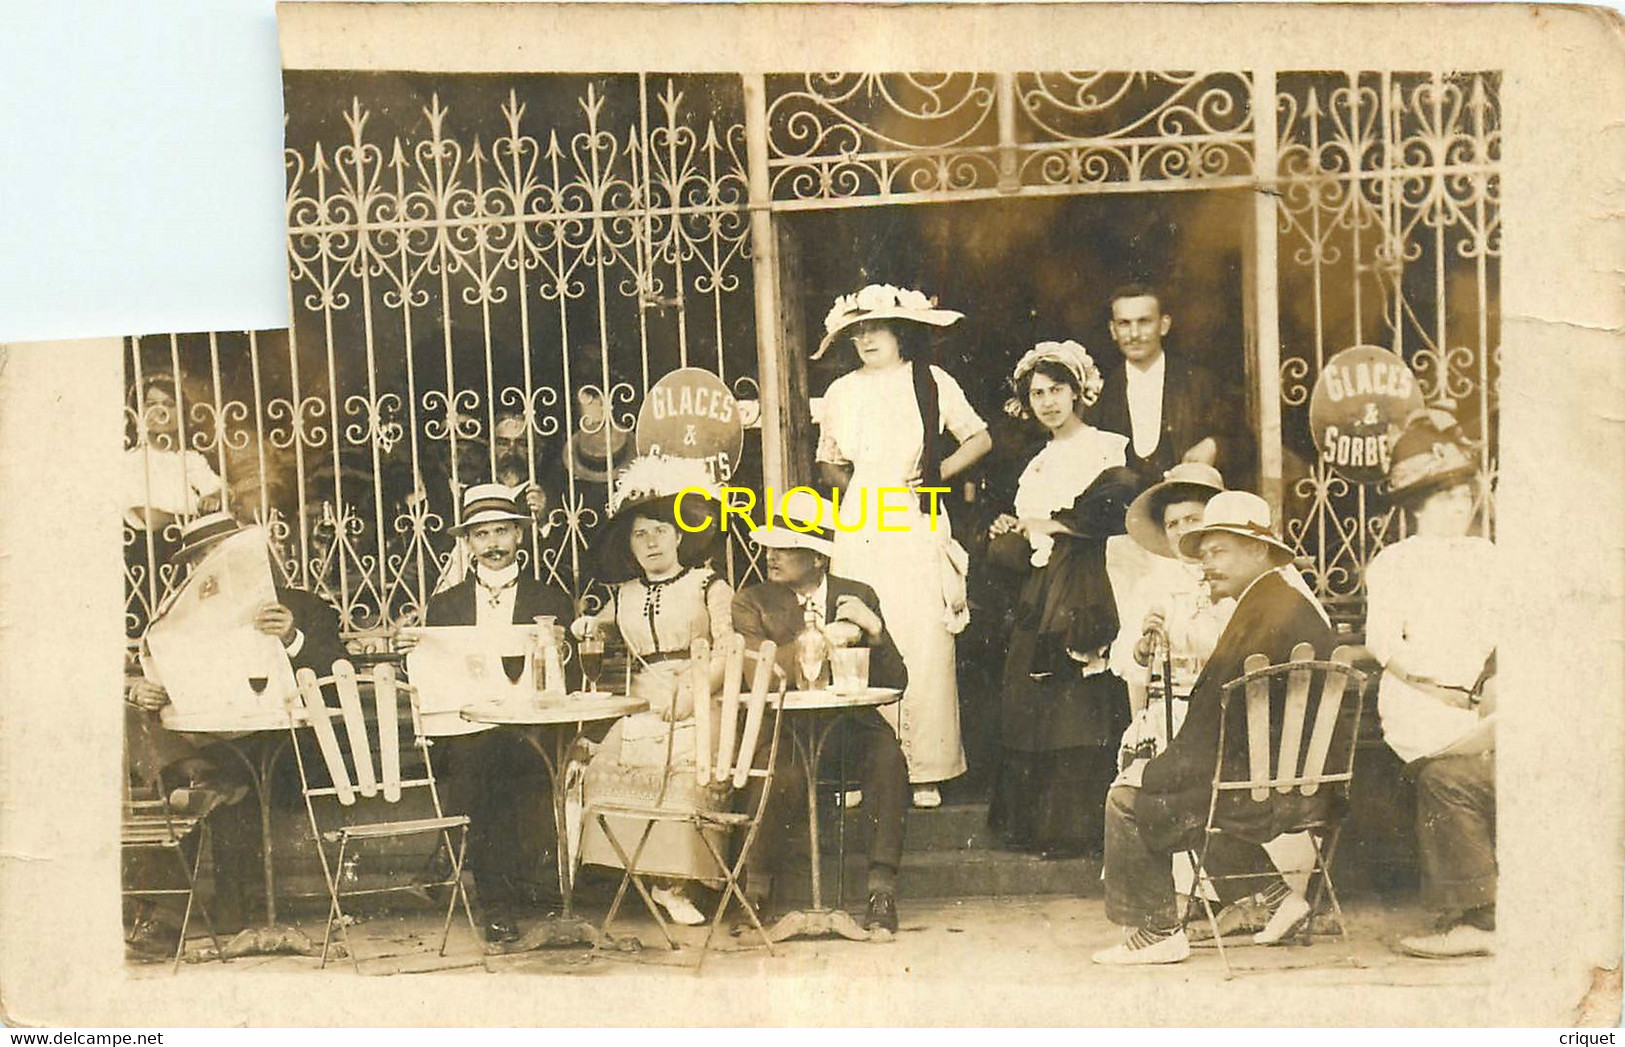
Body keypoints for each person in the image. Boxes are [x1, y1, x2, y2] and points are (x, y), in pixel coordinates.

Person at [1093, 491, 1335, 966]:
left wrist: (1156, 772)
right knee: (1185, 788)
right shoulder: (1280, 604)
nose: (1207, 564)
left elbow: (1213, 722)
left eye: (1219, 551)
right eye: (1202, 555)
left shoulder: (1259, 616)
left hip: (1259, 787)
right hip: (1307, 782)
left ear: (1259, 550)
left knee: (1125, 798)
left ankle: (1157, 930)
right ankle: (1274, 897)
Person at [123, 512, 347, 954]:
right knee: (164, 743)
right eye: (203, 557)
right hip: (213, 741)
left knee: (216, 777)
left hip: (287, 750)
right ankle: (176, 910)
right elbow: (161, 679)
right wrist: (143, 689)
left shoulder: (299, 606)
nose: (214, 564)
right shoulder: (184, 624)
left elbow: (338, 673)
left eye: (222, 552)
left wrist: (293, 638)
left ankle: (168, 918)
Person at [813, 283, 993, 808]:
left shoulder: (929, 381)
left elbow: (979, 438)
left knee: (920, 635)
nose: (866, 339)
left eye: (875, 328)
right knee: (858, 631)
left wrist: (932, 477)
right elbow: (829, 459)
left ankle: (923, 770)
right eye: (857, 331)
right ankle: (864, 768)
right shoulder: (843, 391)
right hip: (862, 521)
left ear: (898, 330)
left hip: (914, 518)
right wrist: (859, 493)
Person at [983, 341, 1139, 859]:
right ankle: (1040, 826)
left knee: (1081, 696)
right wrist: (1014, 527)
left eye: (1057, 391)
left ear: (1077, 393)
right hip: (1042, 586)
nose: (1048, 402)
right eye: (1037, 394)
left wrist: (1058, 524)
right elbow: (1028, 530)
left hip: (1090, 582)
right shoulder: (1037, 465)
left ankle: (1080, 827)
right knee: (1034, 694)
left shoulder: (1107, 447)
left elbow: (1119, 507)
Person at [731, 489, 911, 935]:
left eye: (786, 546)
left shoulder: (857, 594)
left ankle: (880, 889)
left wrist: (874, 630)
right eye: (770, 544)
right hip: (786, 728)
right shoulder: (752, 600)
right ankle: (758, 886)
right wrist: (827, 638)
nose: (771, 554)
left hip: (850, 726)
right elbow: (761, 672)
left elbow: (897, 680)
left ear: (816, 557)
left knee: (888, 756)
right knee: (779, 772)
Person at [410, 482, 577, 945]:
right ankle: (497, 903)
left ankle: (452, 856)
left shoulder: (549, 601)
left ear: (520, 536)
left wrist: (561, 650)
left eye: (502, 531)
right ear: (468, 543)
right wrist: (416, 651)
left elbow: (574, 675)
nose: (493, 545)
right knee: (484, 757)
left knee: (495, 759)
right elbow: (434, 678)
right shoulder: (445, 606)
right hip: (465, 736)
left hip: (534, 732)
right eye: (481, 535)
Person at [571, 455, 731, 927]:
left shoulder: (708, 585)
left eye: (661, 530)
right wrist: (584, 628)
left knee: (688, 759)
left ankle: (675, 883)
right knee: (598, 760)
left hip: (699, 699)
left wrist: (694, 693)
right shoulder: (623, 594)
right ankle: (632, 872)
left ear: (680, 535)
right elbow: (594, 631)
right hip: (640, 701)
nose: (651, 542)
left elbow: (729, 649)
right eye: (640, 534)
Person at [1365, 410, 1498, 959]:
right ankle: (1473, 915)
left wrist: (1489, 684)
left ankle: (1491, 909)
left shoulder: (1489, 557)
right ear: (1417, 505)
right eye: (1443, 499)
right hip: (1419, 702)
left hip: (1481, 700)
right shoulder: (1396, 562)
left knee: (1493, 757)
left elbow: (1507, 633)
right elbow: (1385, 646)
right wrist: (1443, 688)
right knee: (1449, 770)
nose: (1458, 508)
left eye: (1464, 497)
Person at [1090, 282, 1250, 488]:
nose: (1134, 334)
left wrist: (1214, 446)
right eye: (1124, 324)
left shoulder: (1199, 383)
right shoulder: (1104, 392)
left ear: (1163, 325)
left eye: (1144, 321)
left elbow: (1245, 445)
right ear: (1112, 330)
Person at [124, 375, 224, 549]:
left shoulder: (191, 458)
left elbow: (223, 492)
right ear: (135, 415)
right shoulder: (131, 460)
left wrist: (215, 496)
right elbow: (146, 517)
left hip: (195, 542)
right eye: (150, 405)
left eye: (170, 404)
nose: (161, 411)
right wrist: (200, 519)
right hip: (151, 548)